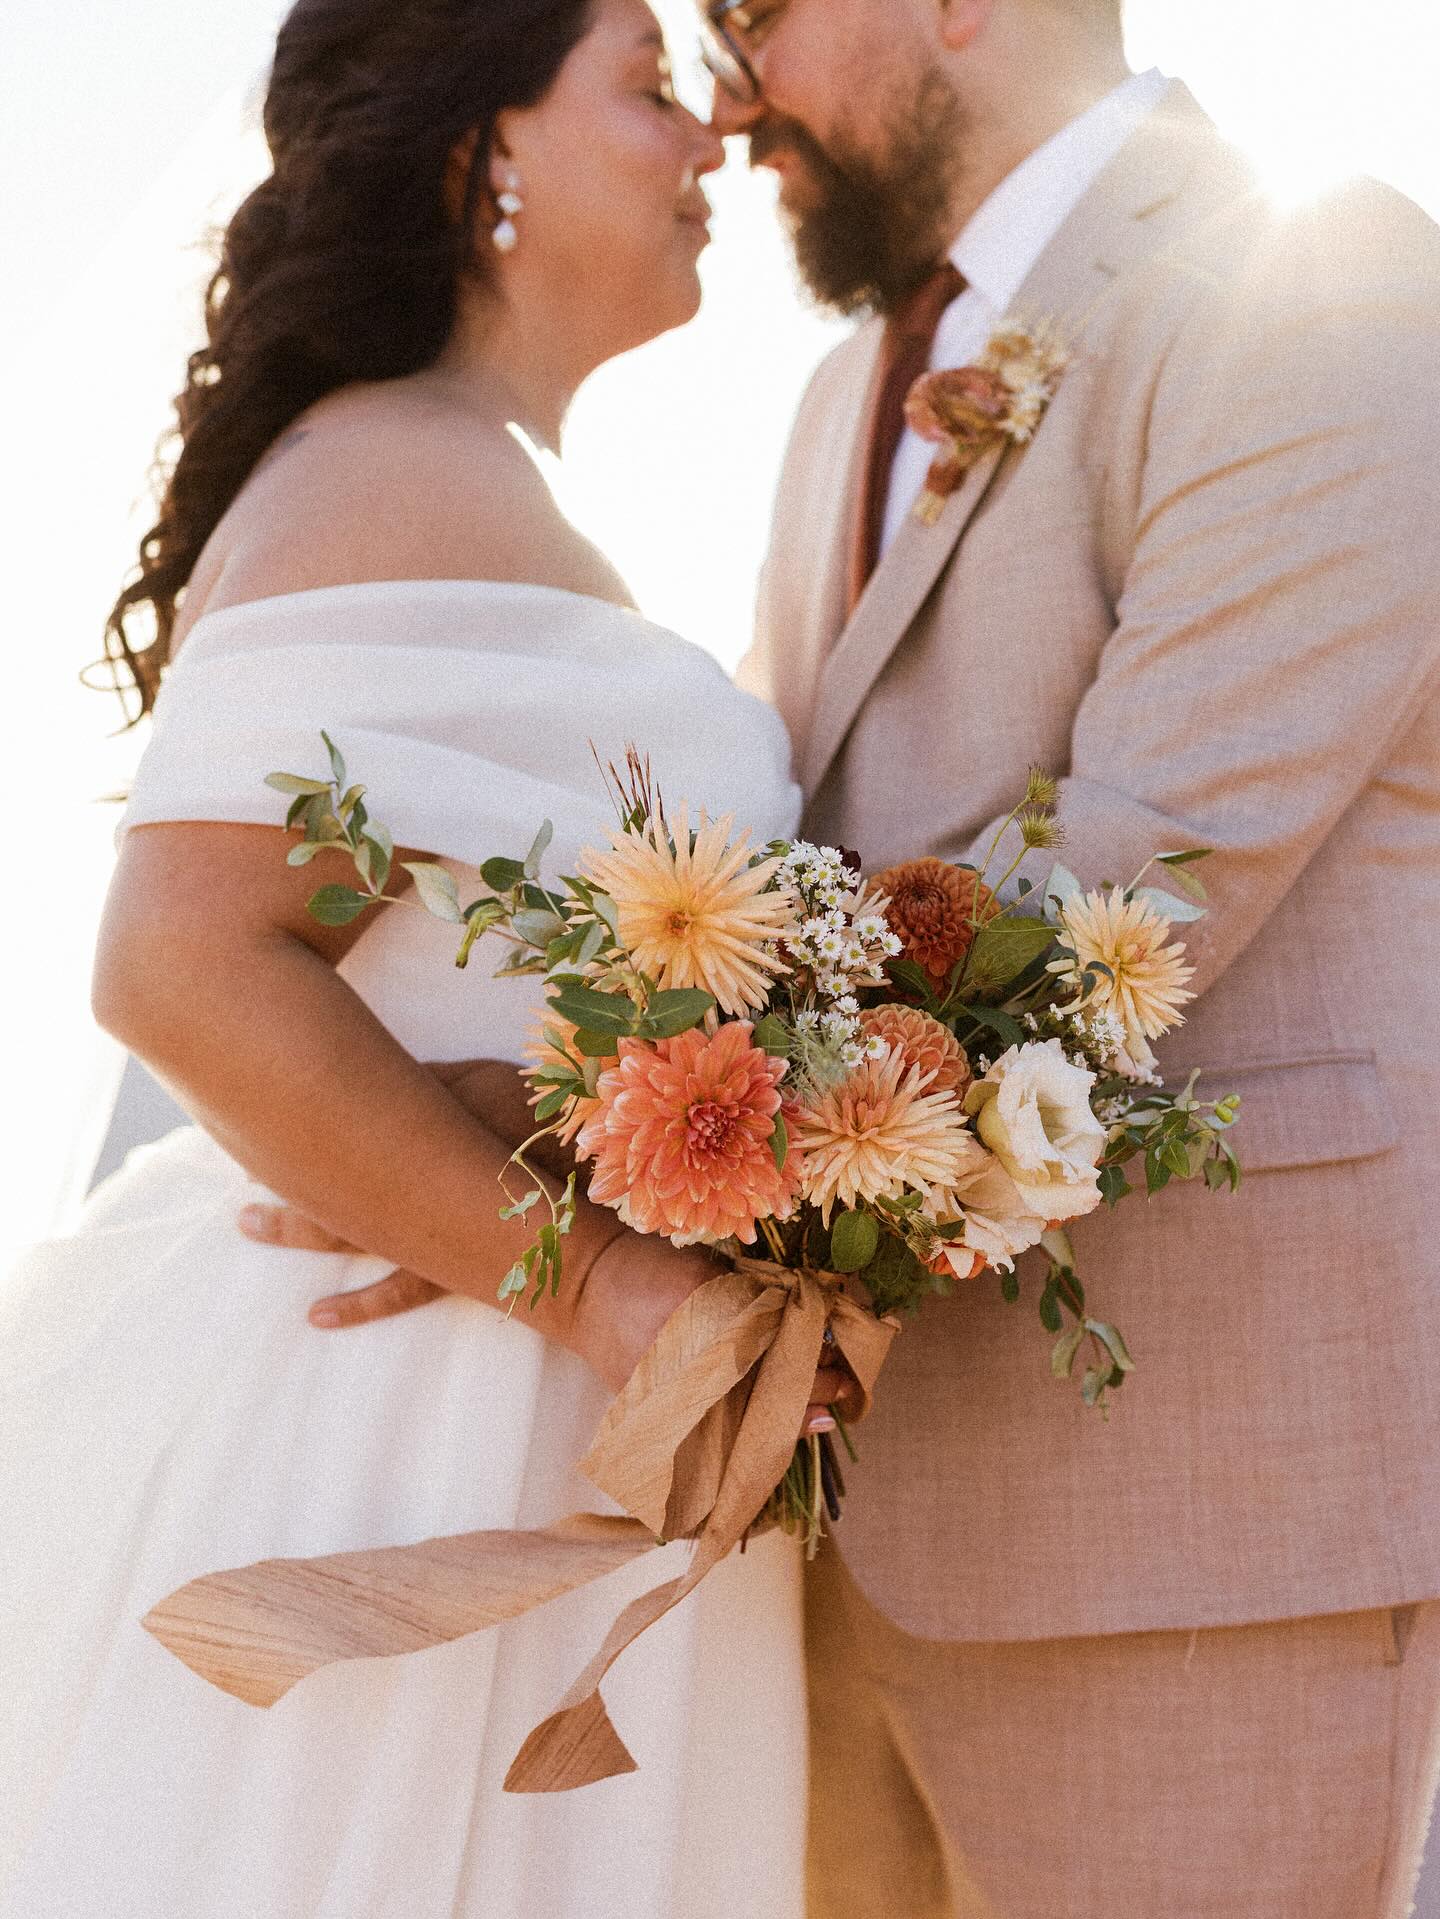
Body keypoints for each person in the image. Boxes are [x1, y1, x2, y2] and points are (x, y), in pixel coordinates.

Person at [259, 1, 1440, 1913]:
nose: (728, 96)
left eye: (750, 17)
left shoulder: (1320, 282)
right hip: (817, 1539)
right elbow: (793, 853)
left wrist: (563, 1140)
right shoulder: (841, 404)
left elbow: (1112, 906)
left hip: (1197, 1535)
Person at [0, 1, 835, 1912]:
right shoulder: (388, 468)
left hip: (540, 1416)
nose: (707, 132)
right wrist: (608, 1292)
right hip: (415, 1431)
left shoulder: (467, 477)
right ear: (489, 161)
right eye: (645, 86)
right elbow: (181, 961)